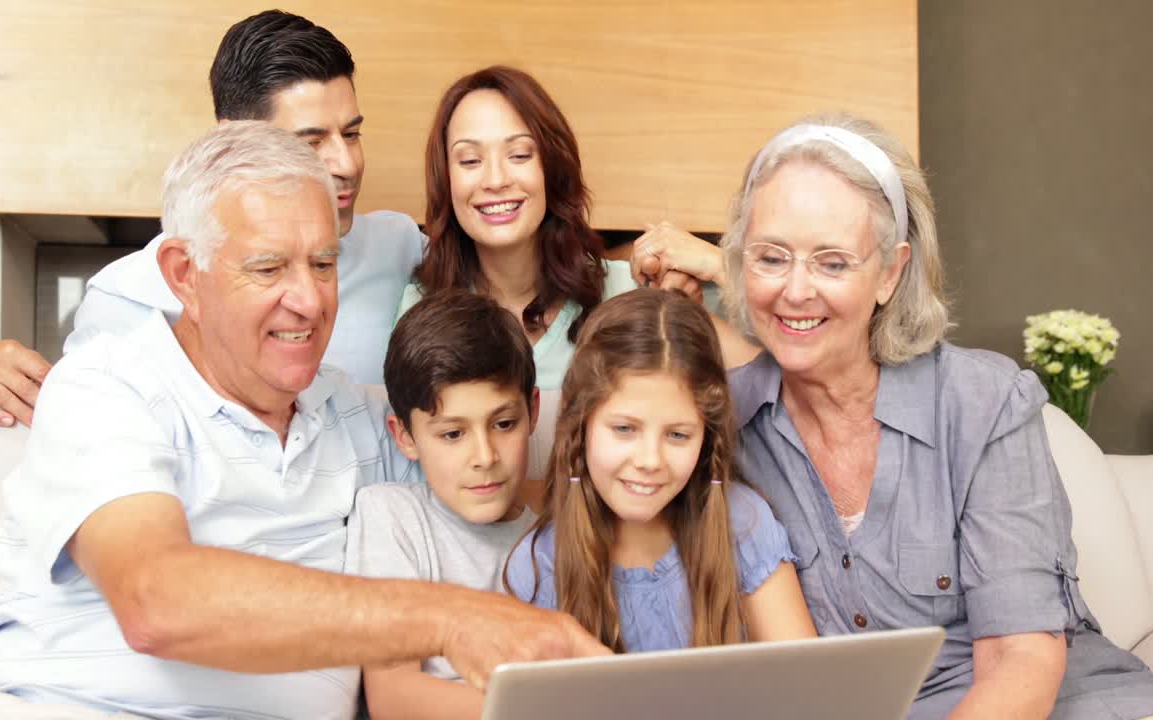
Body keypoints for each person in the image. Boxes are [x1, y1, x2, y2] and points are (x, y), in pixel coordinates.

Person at [0, 122, 604, 720]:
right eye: (268, 268)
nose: (309, 301)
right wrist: (455, 620)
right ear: (183, 274)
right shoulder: (107, 386)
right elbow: (157, 600)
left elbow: (502, 457)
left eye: (323, 264)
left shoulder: (364, 420)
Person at [637, 113, 1153, 719]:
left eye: (832, 263)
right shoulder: (720, 428)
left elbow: (1021, 660)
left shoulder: (982, 402)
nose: (795, 291)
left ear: (890, 272)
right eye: (771, 258)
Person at [0, 9, 426, 427]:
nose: (345, 164)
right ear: (233, 139)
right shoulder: (128, 296)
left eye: (352, 133)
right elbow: (82, 421)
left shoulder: (398, 244)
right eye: (310, 142)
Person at [505, 288, 816, 651]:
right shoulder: (540, 565)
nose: (650, 460)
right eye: (624, 429)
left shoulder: (744, 525)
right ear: (581, 425)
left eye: (678, 434)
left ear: (707, 438)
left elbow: (805, 685)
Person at [398, 66, 747, 391]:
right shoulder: (423, 305)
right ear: (446, 179)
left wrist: (722, 269)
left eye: (519, 155)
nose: (495, 179)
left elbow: (771, 386)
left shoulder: (629, 290)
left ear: (553, 167)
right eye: (470, 160)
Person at [350, 289, 544, 720]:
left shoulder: (559, 534)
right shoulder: (392, 516)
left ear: (533, 412)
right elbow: (393, 697)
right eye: (452, 434)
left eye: (504, 424)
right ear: (405, 437)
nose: (485, 456)